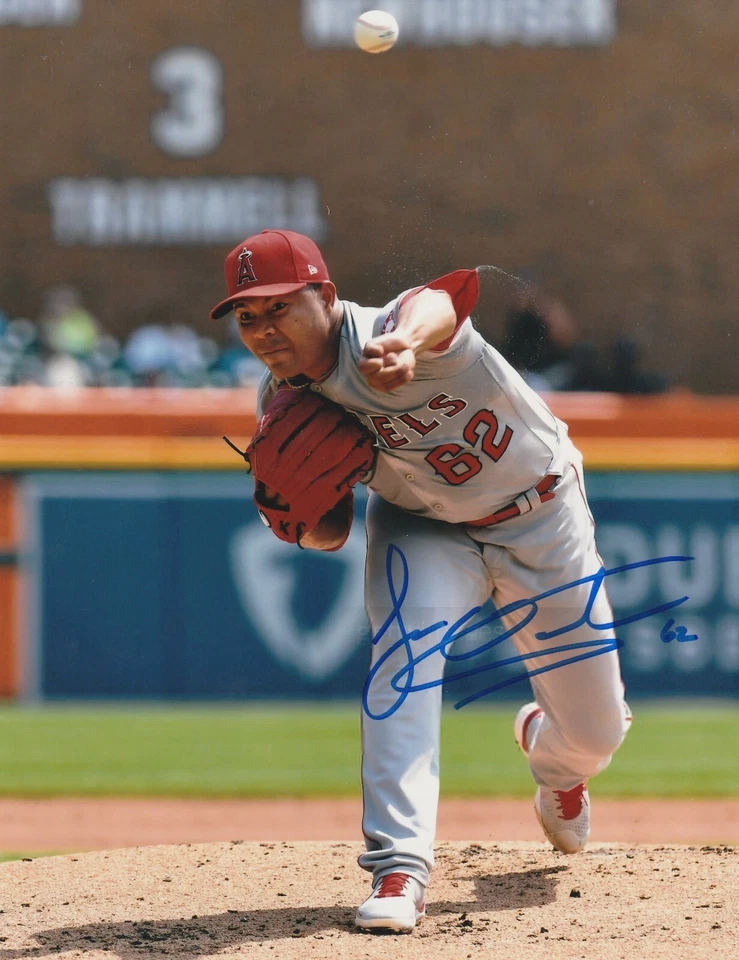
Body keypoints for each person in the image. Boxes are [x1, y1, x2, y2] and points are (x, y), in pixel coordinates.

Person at [209, 230, 632, 934]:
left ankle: (554, 764)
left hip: (540, 514)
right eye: (247, 317)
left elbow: (439, 298)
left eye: (278, 307)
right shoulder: (280, 400)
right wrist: (295, 516)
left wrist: (404, 344)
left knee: (594, 734)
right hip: (424, 528)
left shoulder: (390, 331)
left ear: (323, 294)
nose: (262, 330)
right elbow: (333, 533)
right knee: (402, 658)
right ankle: (398, 868)